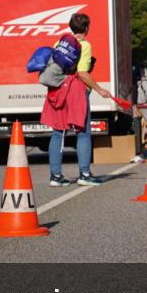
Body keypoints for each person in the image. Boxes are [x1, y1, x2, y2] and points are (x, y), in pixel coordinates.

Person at [47, 13, 112, 187]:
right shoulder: (85, 45)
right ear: (87, 28)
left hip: (59, 89)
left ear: (71, 27)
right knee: (82, 132)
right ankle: (84, 174)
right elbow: (82, 73)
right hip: (76, 90)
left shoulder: (59, 43)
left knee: (58, 132)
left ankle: (55, 176)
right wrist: (99, 89)